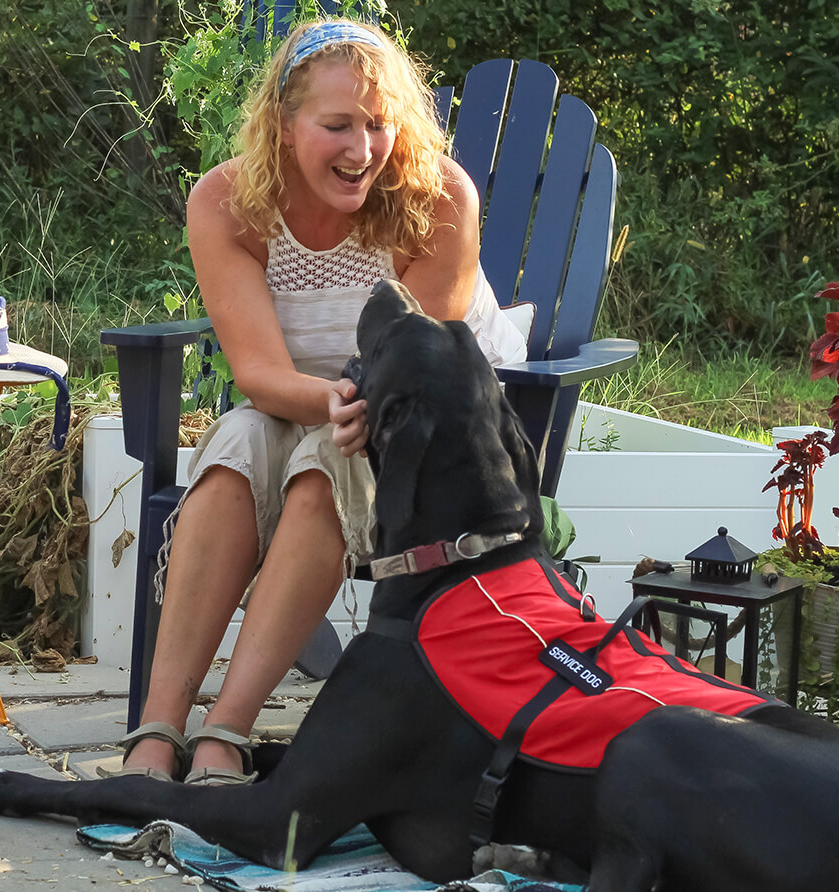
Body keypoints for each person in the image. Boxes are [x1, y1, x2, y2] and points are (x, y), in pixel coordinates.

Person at [109, 18, 526, 784]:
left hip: (418, 424)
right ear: (281, 124)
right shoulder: (227, 202)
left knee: (319, 475)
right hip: (294, 397)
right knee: (233, 452)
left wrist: (343, 410)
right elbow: (260, 373)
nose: (363, 149)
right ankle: (158, 730)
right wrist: (327, 399)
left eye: (379, 124)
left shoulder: (439, 200)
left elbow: (419, 369)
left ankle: (224, 737)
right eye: (337, 125)